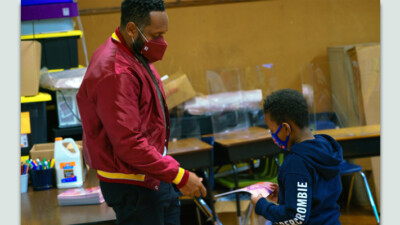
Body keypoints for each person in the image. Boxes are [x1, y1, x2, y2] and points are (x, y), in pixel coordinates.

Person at [76, 0, 206, 224]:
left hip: (152, 173)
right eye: (155, 35)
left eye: (163, 34)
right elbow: (128, 142)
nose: (161, 42)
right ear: (131, 29)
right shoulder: (116, 71)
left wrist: (169, 172)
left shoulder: (133, 51)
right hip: (132, 183)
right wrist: (179, 176)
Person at [251, 89, 343, 225]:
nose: (272, 135)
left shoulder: (296, 164)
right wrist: (286, 193)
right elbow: (317, 194)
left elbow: (296, 218)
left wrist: (261, 206)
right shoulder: (325, 148)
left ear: (286, 129)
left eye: (272, 130)